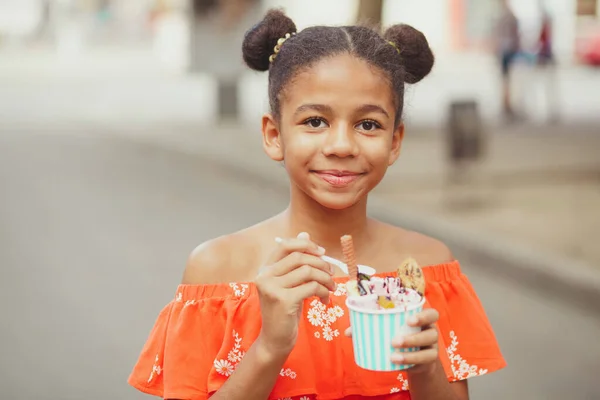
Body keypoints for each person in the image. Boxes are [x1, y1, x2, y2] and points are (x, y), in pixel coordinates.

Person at [128, 9, 506, 400]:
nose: (341, 146)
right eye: (314, 122)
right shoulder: (217, 270)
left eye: (369, 124)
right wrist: (269, 347)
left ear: (395, 141)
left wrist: (425, 370)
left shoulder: (428, 269)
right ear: (274, 135)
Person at [494, 0, 520, 120]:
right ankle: (506, 104)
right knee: (506, 78)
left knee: (507, 78)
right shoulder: (508, 16)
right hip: (507, 49)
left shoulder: (505, 16)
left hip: (506, 49)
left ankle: (507, 104)